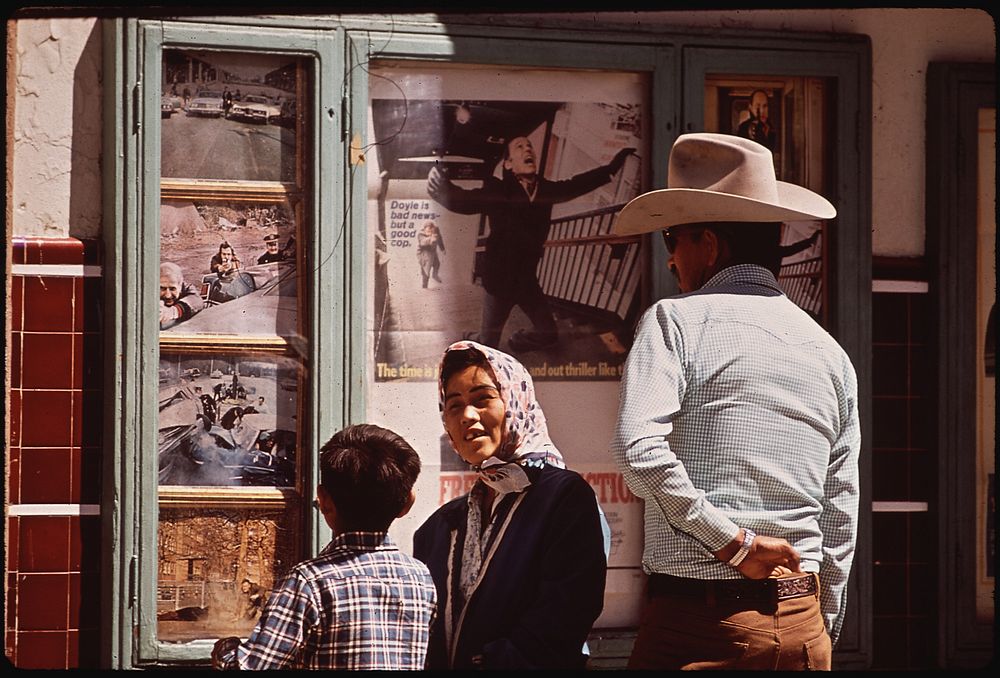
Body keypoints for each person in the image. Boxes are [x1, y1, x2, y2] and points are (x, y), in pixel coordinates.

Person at [609, 132, 860, 670]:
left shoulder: (673, 322)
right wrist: (819, 623)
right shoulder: (829, 352)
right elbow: (840, 508)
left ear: (709, 243)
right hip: (803, 626)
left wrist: (735, 546)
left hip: (699, 626)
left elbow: (639, 453)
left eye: (671, 239)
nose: (672, 260)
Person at [412, 340, 607, 670]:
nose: (467, 416)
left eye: (482, 399)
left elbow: (564, 617)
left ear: (516, 402)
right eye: (454, 405)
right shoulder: (440, 526)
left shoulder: (564, 499)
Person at [211, 423, 438, 670]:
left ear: (324, 501)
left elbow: (251, 667)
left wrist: (226, 649)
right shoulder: (420, 578)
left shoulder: (309, 582)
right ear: (407, 503)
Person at [427, 137, 635, 352]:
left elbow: (578, 184)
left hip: (527, 282)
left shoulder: (545, 190)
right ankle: (476, 337)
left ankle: (518, 340)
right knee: (489, 342)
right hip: (500, 283)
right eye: (519, 146)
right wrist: (443, 188)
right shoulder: (499, 191)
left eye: (530, 146)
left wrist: (613, 167)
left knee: (549, 333)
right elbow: (466, 200)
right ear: (509, 164)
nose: (528, 149)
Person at [159, 261, 204, 330]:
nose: (168, 295)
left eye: (172, 289)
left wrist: (173, 311)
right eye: (162, 289)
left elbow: (197, 301)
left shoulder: (187, 288)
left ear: (180, 286)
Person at [416, 221, 446, 288]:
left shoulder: (436, 231)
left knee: (437, 264)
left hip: (432, 252)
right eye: (428, 232)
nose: (430, 233)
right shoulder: (420, 234)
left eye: (431, 231)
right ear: (424, 230)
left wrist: (442, 248)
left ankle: (435, 275)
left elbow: (439, 239)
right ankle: (425, 285)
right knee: (425, 270)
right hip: (423, 252)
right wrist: (431, 238)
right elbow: (422, 243)